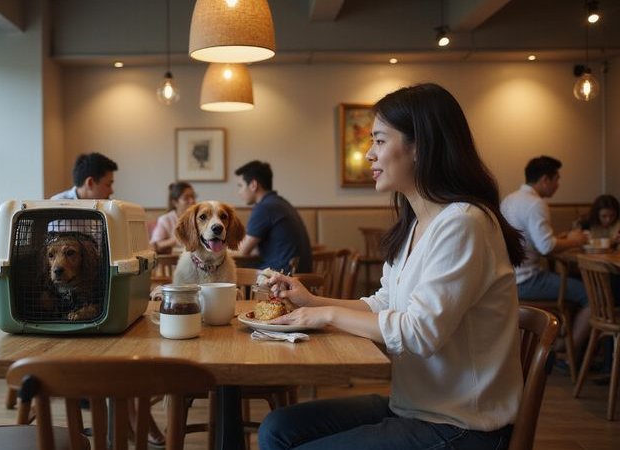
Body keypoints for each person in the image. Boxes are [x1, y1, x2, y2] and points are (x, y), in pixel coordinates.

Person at [258, 83, 524, 449]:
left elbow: (419, 333)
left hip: (461, 426)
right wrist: (311, 302)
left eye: (380, 141)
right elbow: (386, 303)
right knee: (277, 428)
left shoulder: (465, 223)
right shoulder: (417, 222)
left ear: (421, 147)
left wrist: (325, 317)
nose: (368, 154)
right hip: (415, 408)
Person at [500, 156, 591, 362]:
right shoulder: (535, 204)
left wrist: (561, 238)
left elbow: (535, 240)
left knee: (574, 291)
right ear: (544, 180)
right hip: (527, 280)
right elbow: (546, 246)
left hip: (509, 277)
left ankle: (563, 344)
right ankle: (566, 353)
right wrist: (575, 240)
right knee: (590, 296)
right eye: (556, 179)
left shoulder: (510, 199)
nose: (558, 184)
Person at [234, 160, 312, 274]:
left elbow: (242, 251)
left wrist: (216, 250)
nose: (239, 192)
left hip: (282, 280)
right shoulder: (280, 203)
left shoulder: (264, 208)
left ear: (253, 185)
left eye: (240, 186)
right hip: (301, 277)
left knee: (237, 275)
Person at [150, 181, 196, 253]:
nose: (192, 201)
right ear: (175, 202)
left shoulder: (198, 218)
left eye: (193, 196)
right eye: (186, 198)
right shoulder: (165, 220)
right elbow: (156, 245)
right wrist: (177, 239)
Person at [51, 152, 117, 200]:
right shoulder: (56, 207)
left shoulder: (105, 208)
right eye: (108, 185)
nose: (111, 191)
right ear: (90, 183)